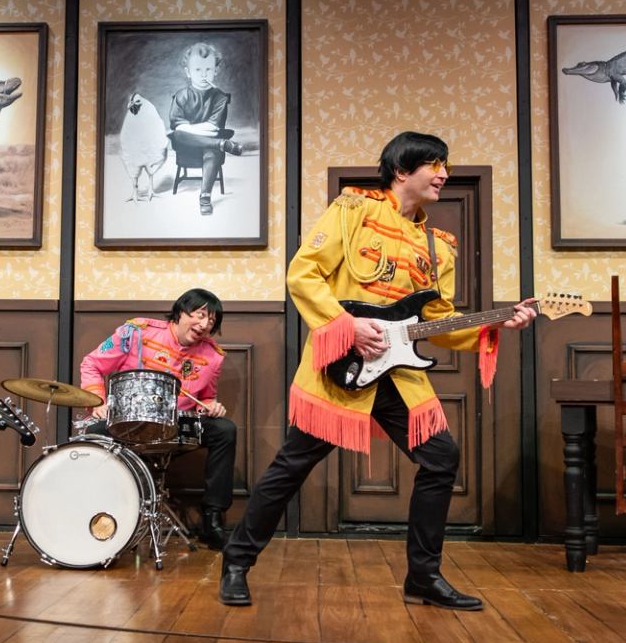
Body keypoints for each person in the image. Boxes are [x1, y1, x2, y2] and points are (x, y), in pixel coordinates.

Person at [220, 132, 537, 610]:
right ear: (401, 170)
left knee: (440, 458)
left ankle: (423, 578)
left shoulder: (440, 246)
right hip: (341, 368)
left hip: (399, 375)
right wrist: (346, 326)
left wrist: (497, 324)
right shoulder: (353, 211)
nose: (443, 174)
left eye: (445, 165)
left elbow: (438, 323)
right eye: (434, 164)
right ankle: (237, 561)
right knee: (293, 464)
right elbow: (303, 273)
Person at [78, 288, 235, 548]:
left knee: (224, 430)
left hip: (175, 425)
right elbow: (92, 364)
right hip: (129, 421)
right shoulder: (137, 332)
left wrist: (211, 406)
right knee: (94, 435)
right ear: (180, 312)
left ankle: (213, 521)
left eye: (212, 321)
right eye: (200, 315)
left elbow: (206, 398)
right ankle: (98, 516)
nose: (205, 324)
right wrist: (97, 401)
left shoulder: (213, 356)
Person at [166, 41, 247, 217]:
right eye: (197, 70)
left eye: (208, 70)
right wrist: (186, 130)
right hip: (186, 145)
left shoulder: (220, 97)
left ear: (216, 70)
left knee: (211, 149)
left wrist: (189, 129)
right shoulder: (181, 95)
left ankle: (205, 197)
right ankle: (222, 144)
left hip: (210, 145)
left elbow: (212, 127)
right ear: (188, 72)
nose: (203, 75)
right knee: (179, 134)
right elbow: (178, 126)